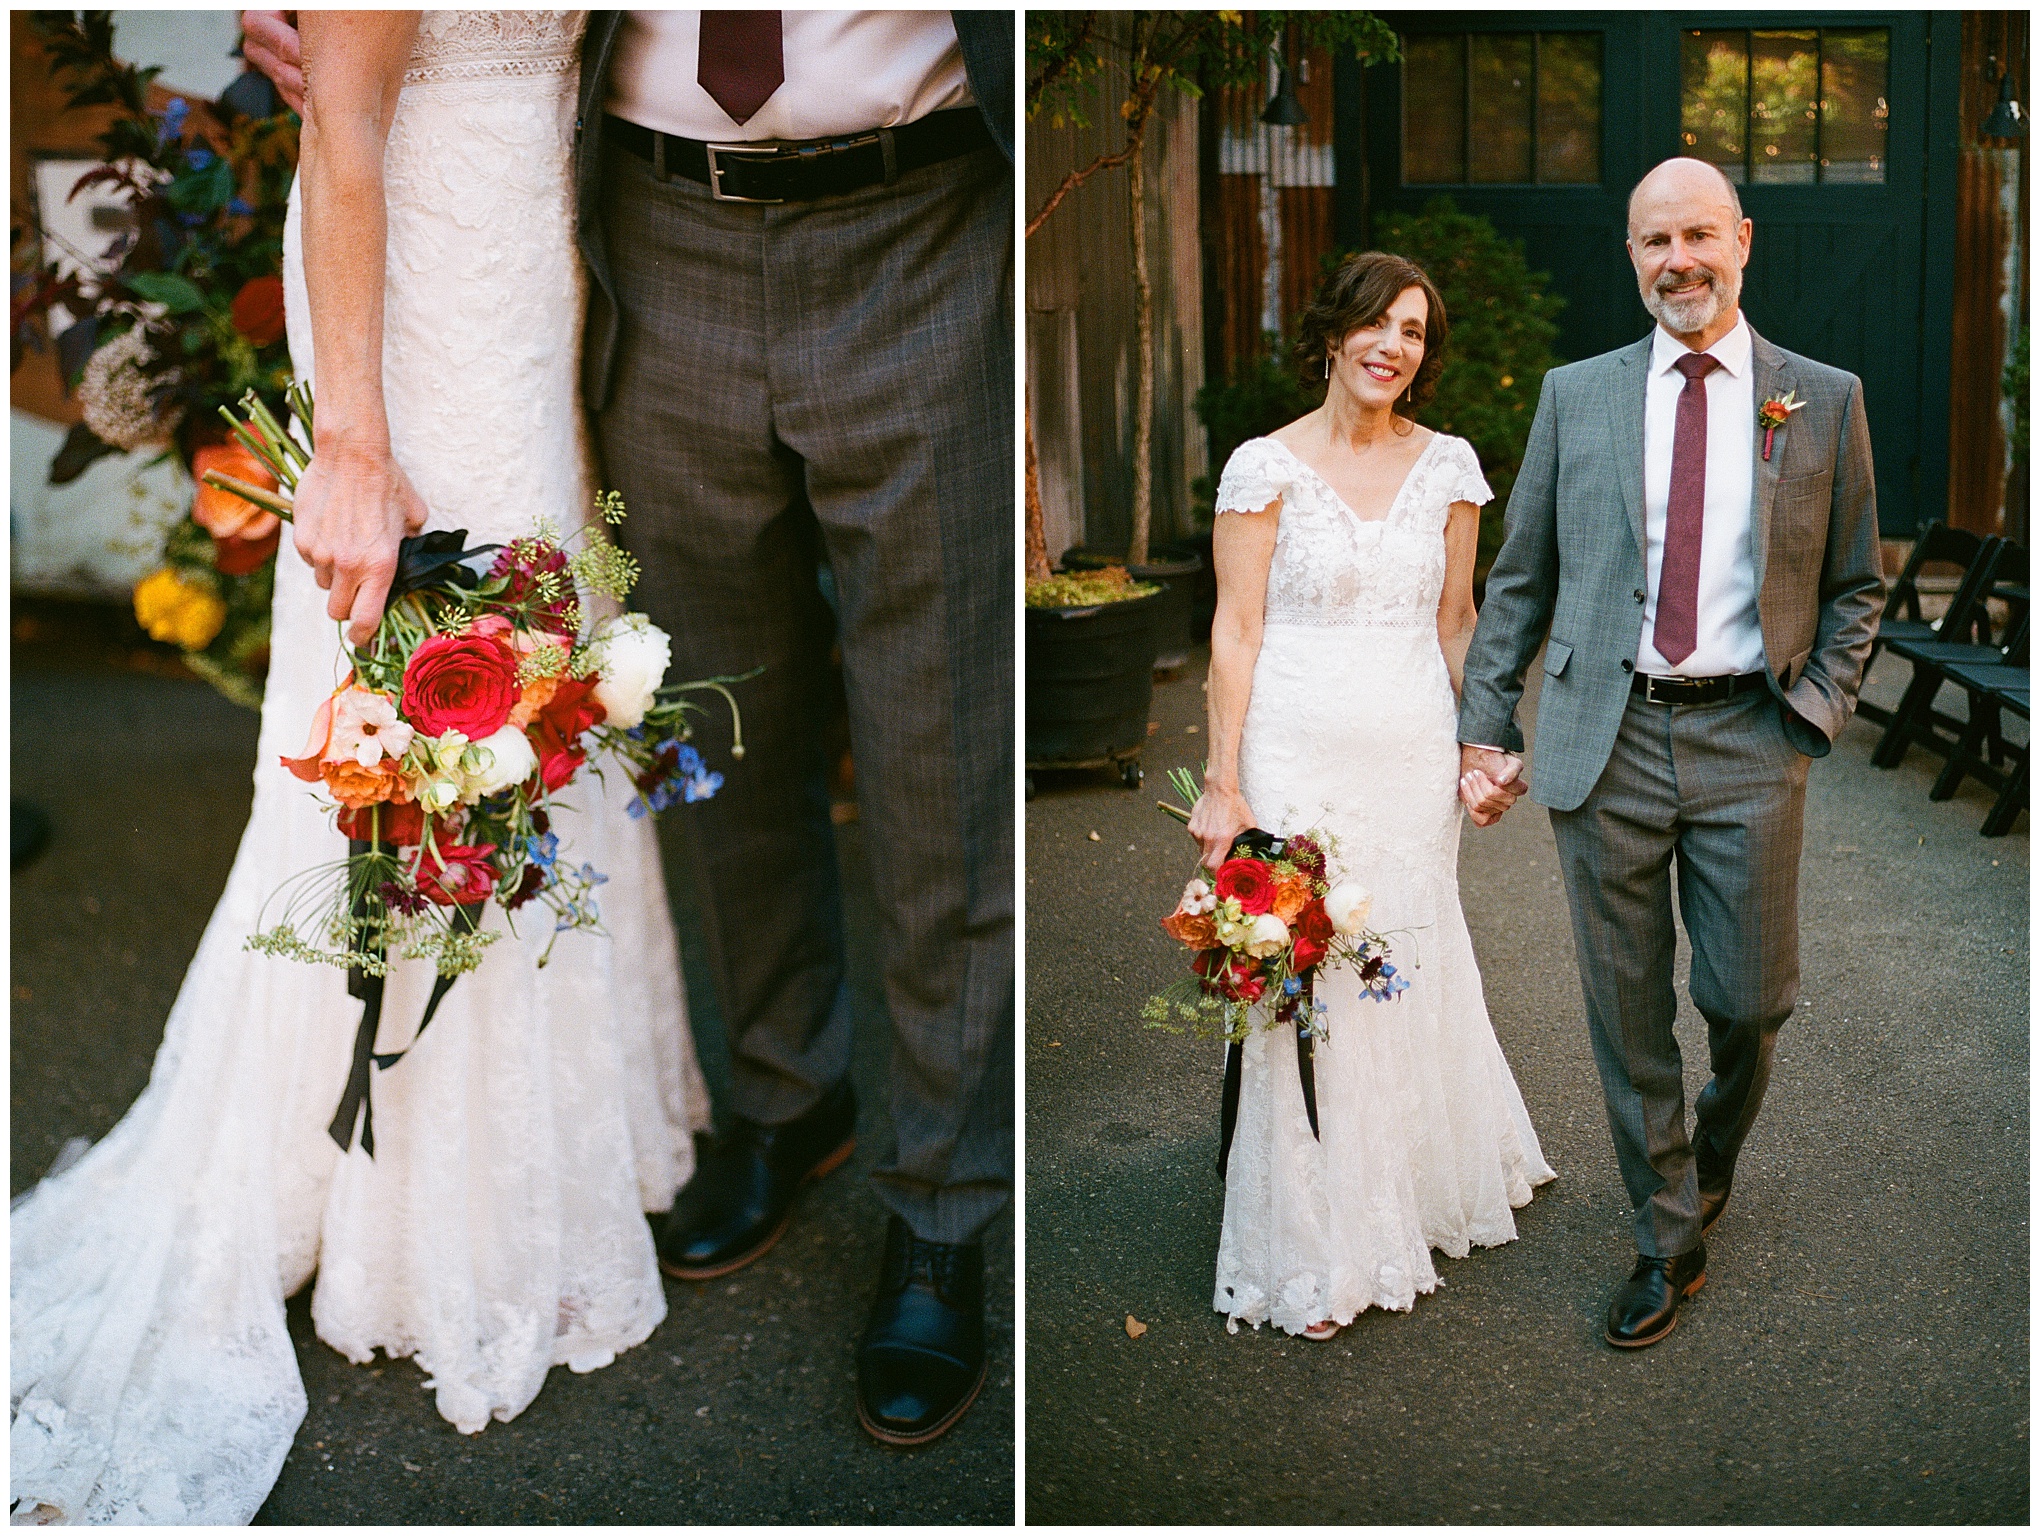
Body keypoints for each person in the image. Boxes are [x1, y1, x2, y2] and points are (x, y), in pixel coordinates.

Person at [248, 8, 1014, 1446]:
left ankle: (943, 1205)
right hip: (654, 234)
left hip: (924, 222)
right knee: (724, 719)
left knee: (940, 747)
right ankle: (791, 1096)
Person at [11, 15, 711, 1523]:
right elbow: (344, 131)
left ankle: (554, 1148)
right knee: (439, 695)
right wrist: (354, 443)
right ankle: (405, 1188)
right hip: (410, 309)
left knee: (543, 680)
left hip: (527, 290)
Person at [1457, 156, 1883, 1349]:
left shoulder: (1823, 397)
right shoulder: (1574, 395)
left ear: (1742, 240)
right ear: (1632, 255)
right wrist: (1487, 723)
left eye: (1699, 234)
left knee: (1750, 1001)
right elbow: (1522, 579)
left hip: (1754, 731)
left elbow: (1859, 584)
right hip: (1610, 735)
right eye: (1655, 240)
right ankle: (1664, 1234)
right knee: (1626, 1009)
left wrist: (1816, 712)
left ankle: (1712, 1148)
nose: (1678, 259)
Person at [1188, 250, 1556, 1341]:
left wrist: (1482, 745)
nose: (1395, 346)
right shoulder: (1264, 467)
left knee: (1406, 942)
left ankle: (1415, 1180)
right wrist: (1222, 780)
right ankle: (1321, 1236)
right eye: (1379, 324)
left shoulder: (1450, 466)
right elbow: (1236, 631)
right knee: (1308, 967)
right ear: (1336, 331)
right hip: (1294, 748)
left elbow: (1457, 623)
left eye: (1415, 332)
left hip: (1408, 753)